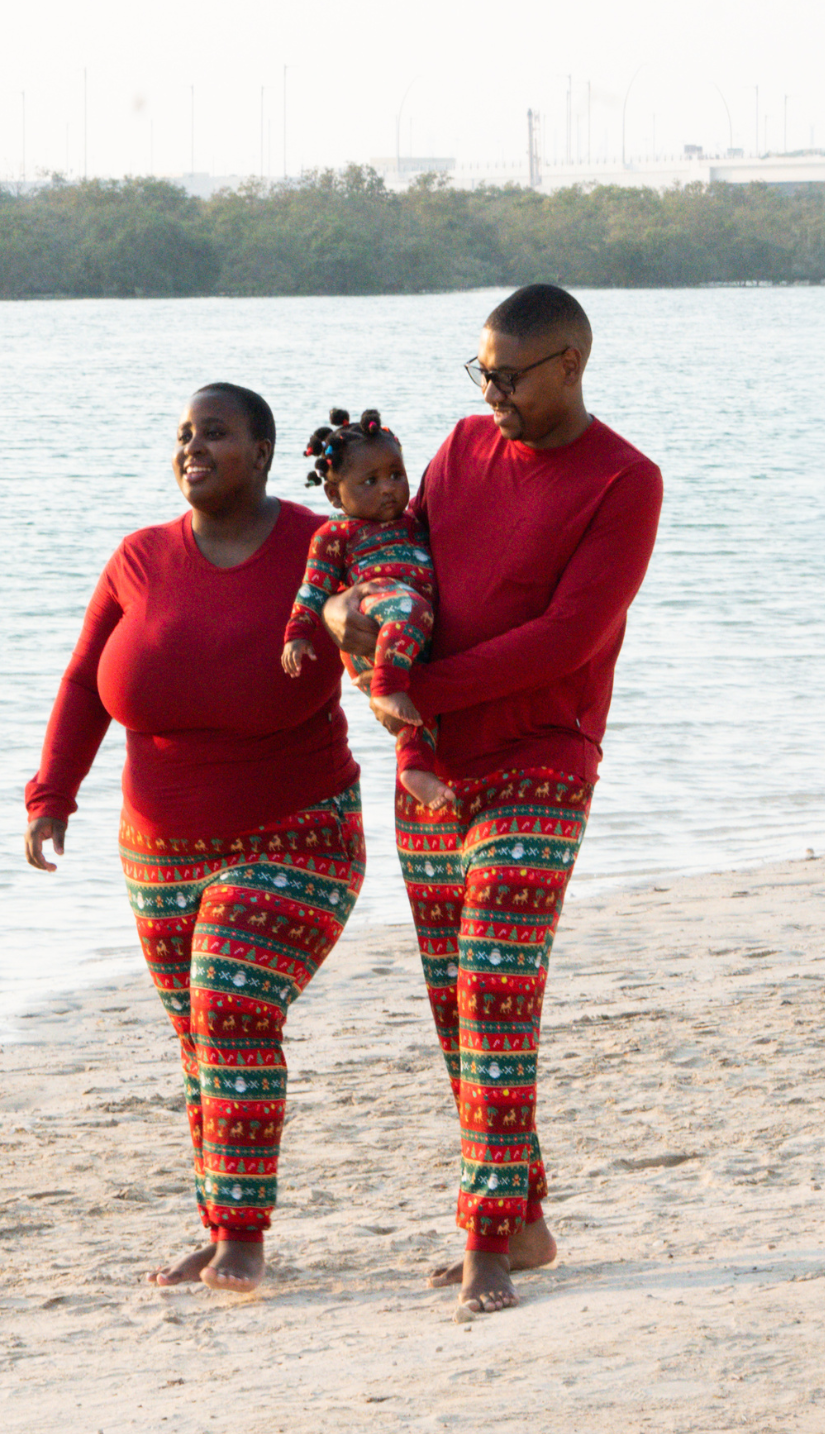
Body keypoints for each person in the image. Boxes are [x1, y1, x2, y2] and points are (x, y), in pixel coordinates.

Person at [322, 285, 663, 1318]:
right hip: (432, 765)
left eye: (509, 376)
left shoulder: (624, 480)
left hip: (544, 758)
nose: (491, 393)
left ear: (570, 366)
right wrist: (344, 618)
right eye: (481, 372)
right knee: (455, 1007)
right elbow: (403, 569)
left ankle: (483, 1239)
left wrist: (412, 687)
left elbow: (569, 637)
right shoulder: (463, 447)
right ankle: (524, 1216)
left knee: (495, 987)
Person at [24, 382, 365, 1296]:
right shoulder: (138, 557)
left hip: (299, 833)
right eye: (182, 435)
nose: (192, 447)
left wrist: (429, 749)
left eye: (214, 433)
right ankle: (221, 1224)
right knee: (199, 1037)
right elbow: (82, 682)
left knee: (229, 1003)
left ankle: (245, 1237)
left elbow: (397, 642)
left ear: (263, 452)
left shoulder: (320, 546)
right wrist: (52, 791)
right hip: (158, 845)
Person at [282, 407, 454, 812]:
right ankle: (387, 688)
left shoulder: (414, 522)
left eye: (396, 474)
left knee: (422, 706)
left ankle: (415, 770)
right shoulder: (335, 534)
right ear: (333, 494)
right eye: (371, 481)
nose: (389, 488)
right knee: (406, 605)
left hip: (411, 638)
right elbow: (313, 588)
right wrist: (296, 634)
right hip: (376, 619)